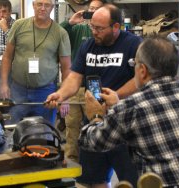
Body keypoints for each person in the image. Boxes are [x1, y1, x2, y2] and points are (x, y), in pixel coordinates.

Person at [79, 36, 179, 188]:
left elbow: (92, 142)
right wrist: (120, 107)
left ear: (143, 71)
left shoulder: (131, 107)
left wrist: (96, 116)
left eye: (134, 64)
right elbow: (163, 114)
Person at [45, 4, 142, 188]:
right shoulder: (88, 45)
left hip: (124, 128)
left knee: (131, 182)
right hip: (93, 124)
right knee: (93, 181)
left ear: (116, 27)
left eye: (99, 28)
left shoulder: (134, 44)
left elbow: (141, 78)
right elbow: (74, 77)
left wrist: (116, 96)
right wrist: (60, 94)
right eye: (92, 27)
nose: (94, 32)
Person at [0, 0, 71, 126]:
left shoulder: (60, 33)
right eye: (39, 4)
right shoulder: (19, 25)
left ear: (52, 7)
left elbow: (66, 68)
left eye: (47, 5)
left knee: (45, 134)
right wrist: (4, 84)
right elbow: (7, 57)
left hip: (46, 93)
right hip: (18, 90)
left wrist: (64, 97)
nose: (42, 8)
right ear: (33, 5)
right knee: (12, 132)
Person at [60, 0, 104, 162]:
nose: (92, 12)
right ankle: (71, 160)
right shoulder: (78, 28)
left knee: (96, 125)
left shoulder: (105, 33)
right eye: (90, 9)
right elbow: (58, 33)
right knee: (72, 126)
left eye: (97, 9)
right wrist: (70, 22)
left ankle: (92, 161)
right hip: (75, 87)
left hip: (96, 88)